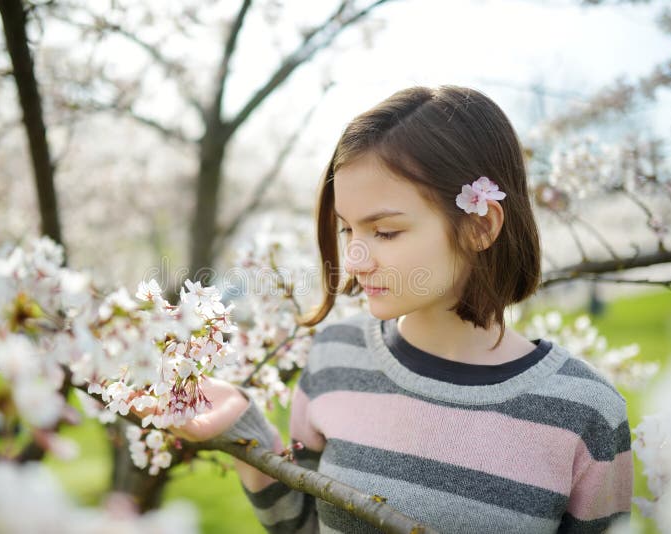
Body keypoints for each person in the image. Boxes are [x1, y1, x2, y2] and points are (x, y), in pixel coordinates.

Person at [168, 86, 633, 533]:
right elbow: (306, 526)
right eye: (348, 230)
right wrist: (246, 433)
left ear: (480, 224)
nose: (353, 259)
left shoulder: (584, 415)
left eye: (385, 232)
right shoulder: (335, 357)